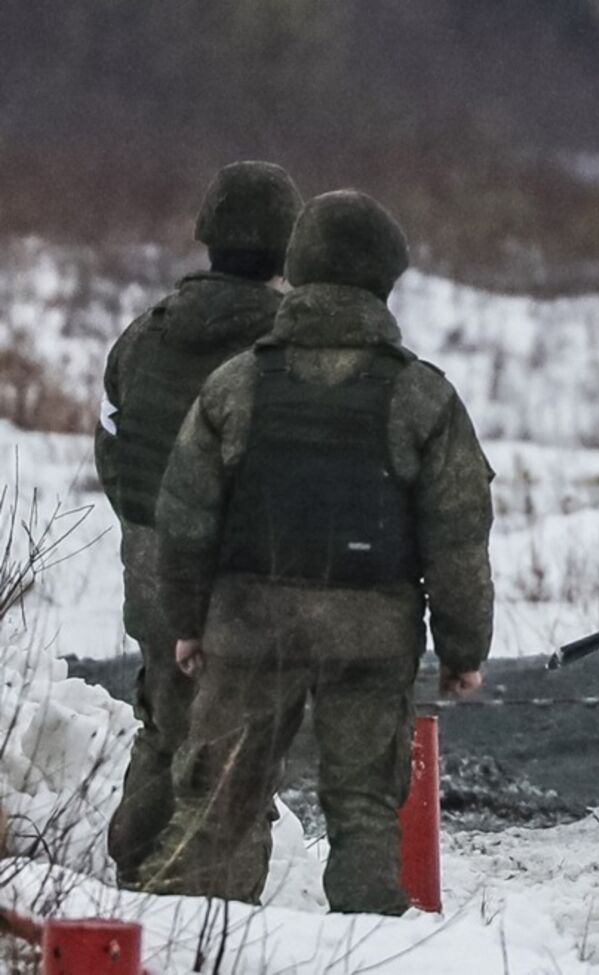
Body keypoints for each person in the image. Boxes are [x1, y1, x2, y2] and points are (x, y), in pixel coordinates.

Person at [139, 190, 495, 912]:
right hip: (373, 631)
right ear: (386, 282)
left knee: (214, 805)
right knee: (365, 805)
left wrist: (187, 620)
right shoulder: (422, 396)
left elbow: (183, 518)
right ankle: (368, 945)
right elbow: (457, 532)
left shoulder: (235, 386)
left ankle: (185, 941)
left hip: (248, 624)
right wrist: (463, 648)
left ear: (296, 271)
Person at [97, 161, 303, 893]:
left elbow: (112, 443)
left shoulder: (143, 335)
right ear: (288, 247)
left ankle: (135, 876)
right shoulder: (289, 344)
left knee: (163, 723)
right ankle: (213, 906)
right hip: (244, 569)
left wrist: (145, 526)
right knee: (238, 745)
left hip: (152, 561)